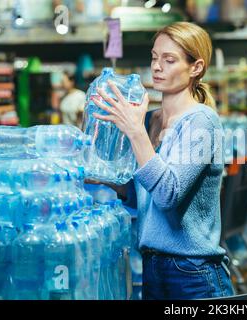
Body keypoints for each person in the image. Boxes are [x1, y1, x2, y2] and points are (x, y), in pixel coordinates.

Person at [90, 22, 235, 300]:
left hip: (193, 273)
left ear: (196, 67)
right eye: (155, 57)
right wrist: (102, 178)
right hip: (153, 267)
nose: (157, 67)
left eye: (169, 60)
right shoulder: (150, 119)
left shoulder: (201, 122)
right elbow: (146, 196)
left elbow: (169, 193)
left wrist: (135, 132)